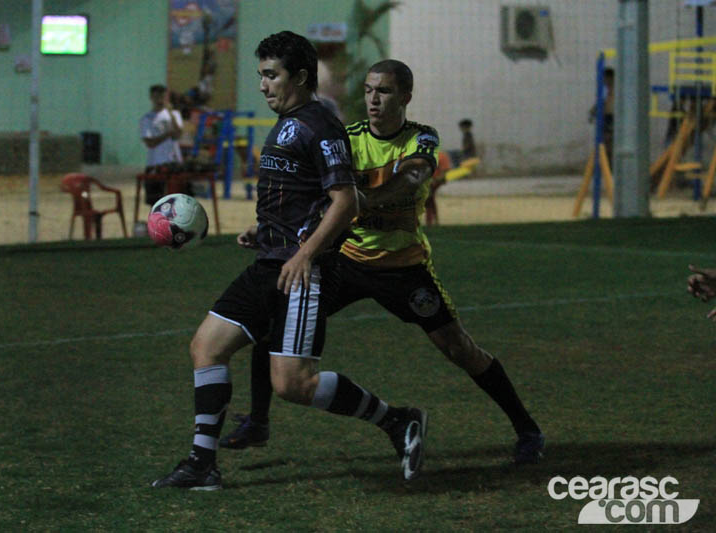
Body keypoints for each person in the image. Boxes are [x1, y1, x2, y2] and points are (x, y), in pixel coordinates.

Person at [220, 59, 545, 465]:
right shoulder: (347, 137)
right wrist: (266, 228)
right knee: (274, 322)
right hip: (345, 263)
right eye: (369, 90)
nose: (373, 99)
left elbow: (412, 178)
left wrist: (362, 200)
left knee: (459, 348)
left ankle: (527, 429)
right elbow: (315, 193)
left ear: (405, 97)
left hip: (402, 268)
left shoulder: (420, 138)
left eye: (385, 91)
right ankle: (258, 422)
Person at [151, 32, 427, 491]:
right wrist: (264, 229)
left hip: (304, 271)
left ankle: (397, 421)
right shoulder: (288, 122)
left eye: (271, 75)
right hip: (271, 260)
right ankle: (202, 464)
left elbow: (344, 202)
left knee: (294, 385)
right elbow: (304, 196)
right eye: (261, 75)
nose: (263, 84)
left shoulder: (321, 126)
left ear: (299, 77)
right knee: (206, 347)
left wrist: (304, 253)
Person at [139, 84, 183, 206]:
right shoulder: (147, 119)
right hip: (155, 163)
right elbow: (150, 143)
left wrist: (171, 114)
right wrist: (167, 134)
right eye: (156, 97)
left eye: (162, 97)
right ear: (151, 98)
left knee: (177, 203)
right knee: (156, 203)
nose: (160, 100)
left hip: (173, 163)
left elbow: (178, 134)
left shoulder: (174, 115)